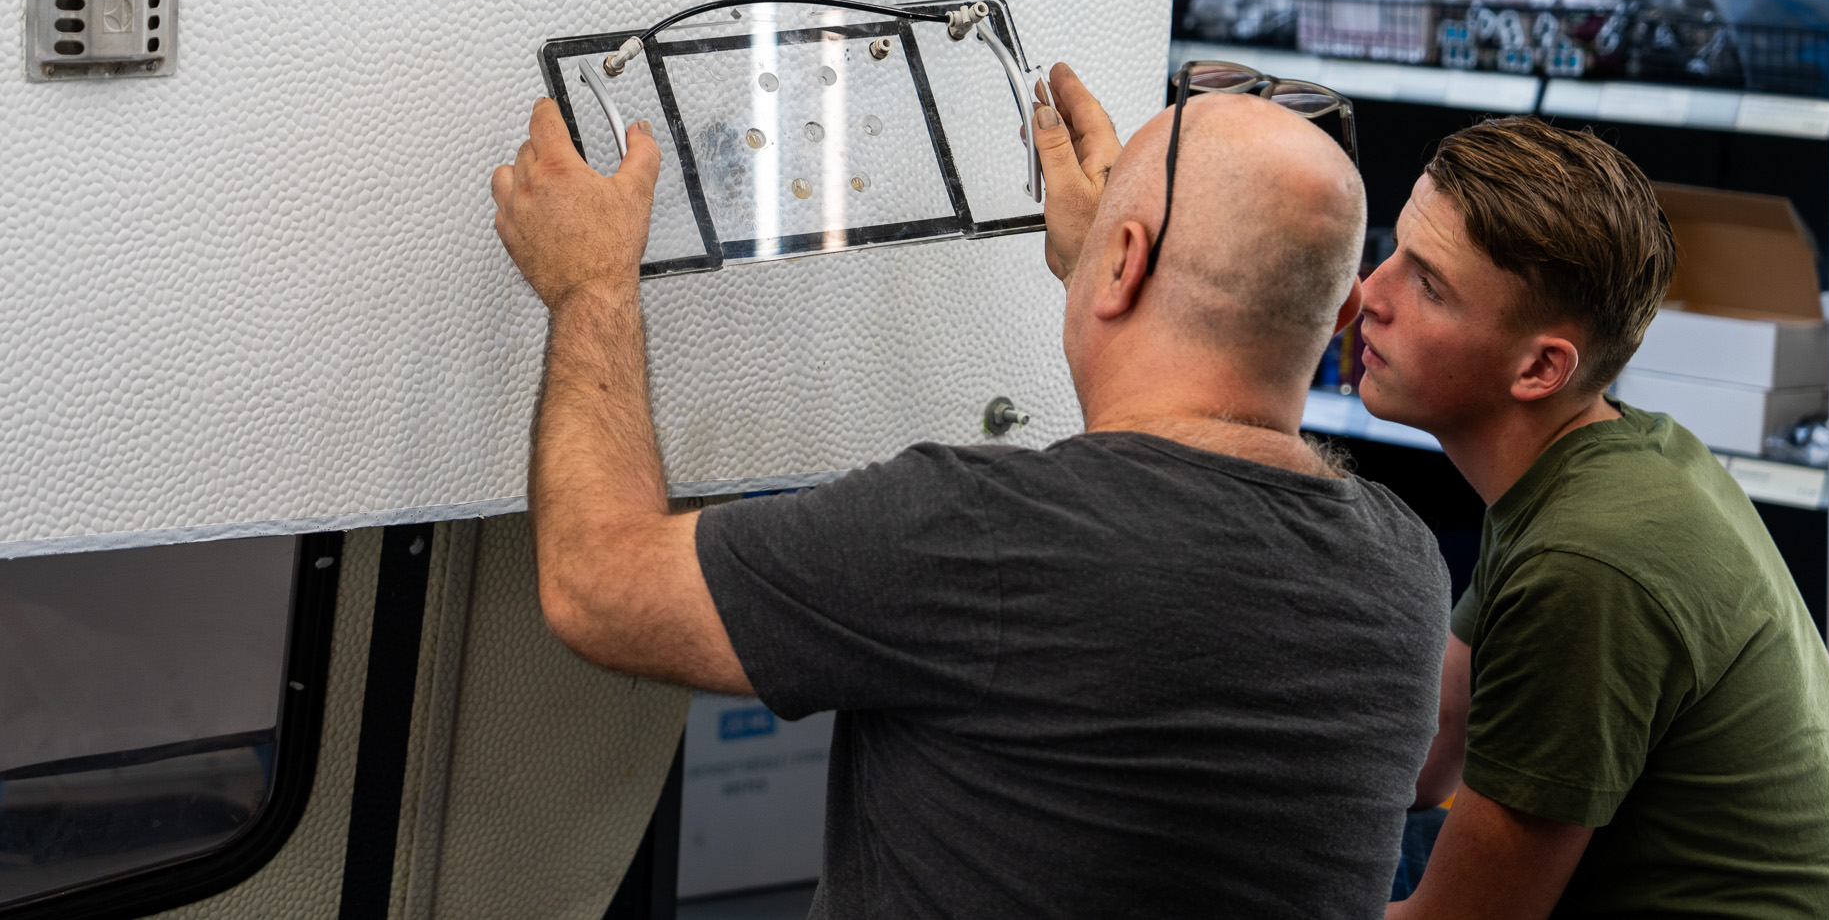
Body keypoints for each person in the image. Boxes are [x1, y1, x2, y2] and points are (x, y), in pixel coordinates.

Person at [488, 63, 1450, 919]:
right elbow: (1165, 496)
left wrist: (590, 285)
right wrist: (1116, 272)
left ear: (1123, 262)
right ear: (1344, 313)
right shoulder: (1404, 576)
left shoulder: (980, 532)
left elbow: (599, 583)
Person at [1353, 116, 1829, 920]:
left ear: (1541, 367)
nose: (1371, 293)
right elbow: (1426, 761)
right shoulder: (1599, 460)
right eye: (1394, 251)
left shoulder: (1587, 561)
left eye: (1428, 286)